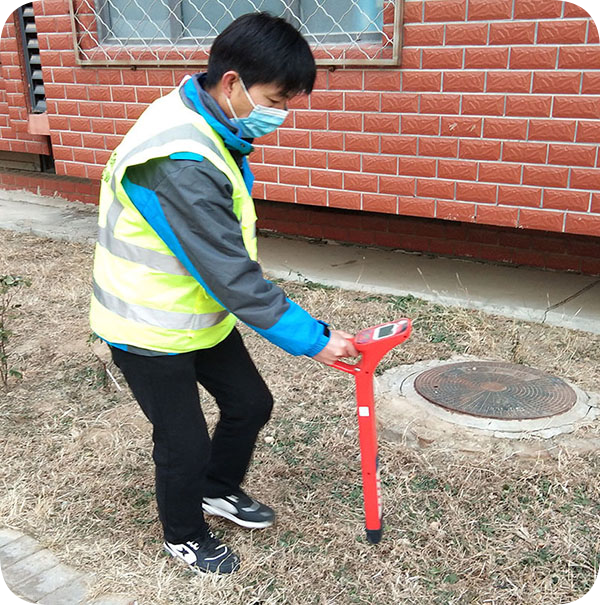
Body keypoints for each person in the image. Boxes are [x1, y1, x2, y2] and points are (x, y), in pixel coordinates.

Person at [89, 12, 358, 575]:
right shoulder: (180, 161)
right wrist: (316, 340)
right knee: (181, 439)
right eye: (277, 99)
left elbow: (220, 270)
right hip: (146, 327)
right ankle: (184, 534)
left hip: (194, 315)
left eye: (290, 102)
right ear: (232, 82)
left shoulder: (202, 115)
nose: (281, 114)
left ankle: (215, 487)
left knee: (250, 403)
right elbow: (231, 275)